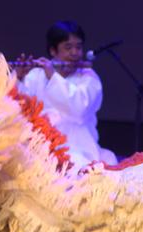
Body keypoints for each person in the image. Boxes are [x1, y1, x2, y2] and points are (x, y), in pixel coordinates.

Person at [14, 20, 118, 170]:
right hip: (40, 147)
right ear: (53, 51)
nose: (75, 53)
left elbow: (78, 109)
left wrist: (53, 77)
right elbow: (21, 110)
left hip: (80, 149)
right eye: (68, 47)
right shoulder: (35, 75)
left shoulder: (89, 78)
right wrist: (18, 79)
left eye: (78, 47)